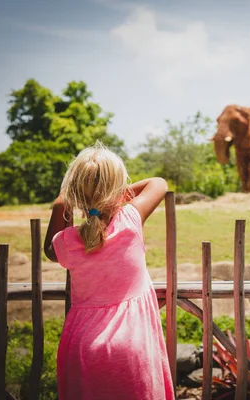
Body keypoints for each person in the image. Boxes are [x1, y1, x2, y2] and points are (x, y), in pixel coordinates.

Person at [44, 142, 175, 400]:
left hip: (82, 348)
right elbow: (159, 183)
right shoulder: (131, 220)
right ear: (118, 189)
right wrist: (116, 194)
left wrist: (62, 204)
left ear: (75, 193)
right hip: (132, 346)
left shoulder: (67, 242)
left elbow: (49, 250)